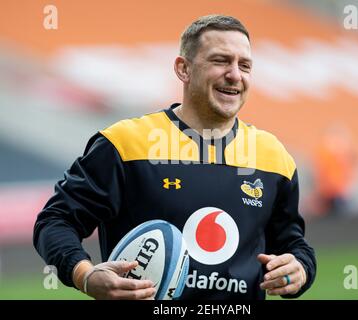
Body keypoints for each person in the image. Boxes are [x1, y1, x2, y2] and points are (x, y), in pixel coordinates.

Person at [33, 14, 316, 300]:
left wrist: (300, 268)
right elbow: (56, 220)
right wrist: (85, 276)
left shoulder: (273, 157)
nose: (234, 75)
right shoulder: (124, 144)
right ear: (183, 69)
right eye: (220, 61)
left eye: (244, 65)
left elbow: (293, 244)